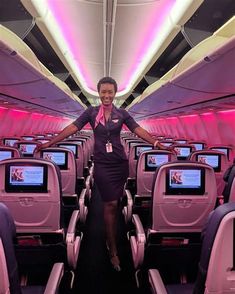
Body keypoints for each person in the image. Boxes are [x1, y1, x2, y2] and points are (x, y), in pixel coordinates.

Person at [35, 76, 172, 271]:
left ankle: (111, 236)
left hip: (119, 164)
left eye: (110, 92)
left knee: (114, 205)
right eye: (103, 92)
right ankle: (113, 248)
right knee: (110, 204)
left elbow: (138, 130)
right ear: (98, 93)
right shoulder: (90, 113)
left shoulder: (122, 113)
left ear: (115, 93)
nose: (106, 95)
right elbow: (73, 128)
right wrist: (51, 142)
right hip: (102, 165)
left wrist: (157, 144)